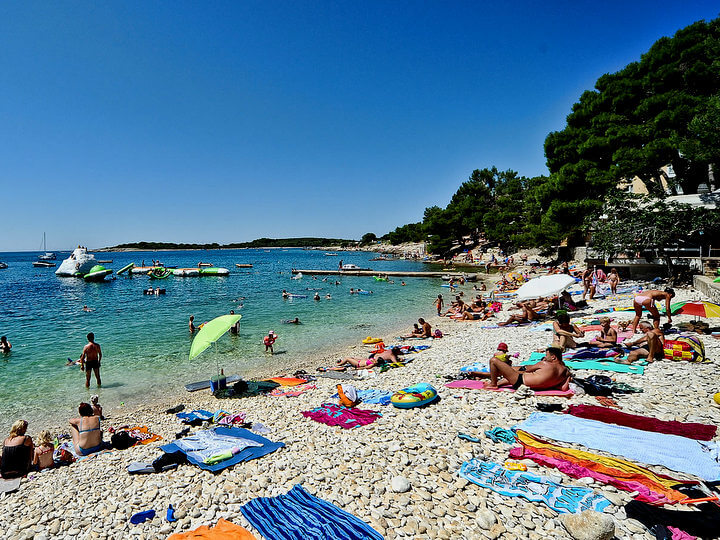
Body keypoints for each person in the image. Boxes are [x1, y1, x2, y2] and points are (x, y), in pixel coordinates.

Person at [486, 346, 571, 391]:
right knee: (518, 373)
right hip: (536, 387)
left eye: (546, 355)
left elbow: (526, 370)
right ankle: (497, 382)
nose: (545, 357)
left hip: (520, 382)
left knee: (493, 360)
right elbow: (564, 388)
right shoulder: (566, 372)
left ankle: (493, 384)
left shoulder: (544, 364)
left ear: (553, 357)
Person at [328, 347, 400, 371]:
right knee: (351, 357)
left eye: (375, 360)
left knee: (347, 358)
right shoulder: (373, 361)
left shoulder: (372, 364)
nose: (374, 360)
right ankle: (341, 362)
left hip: (358, 364)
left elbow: (366, 367)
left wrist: (356, 369)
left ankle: (339, 364)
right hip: (361, 361)